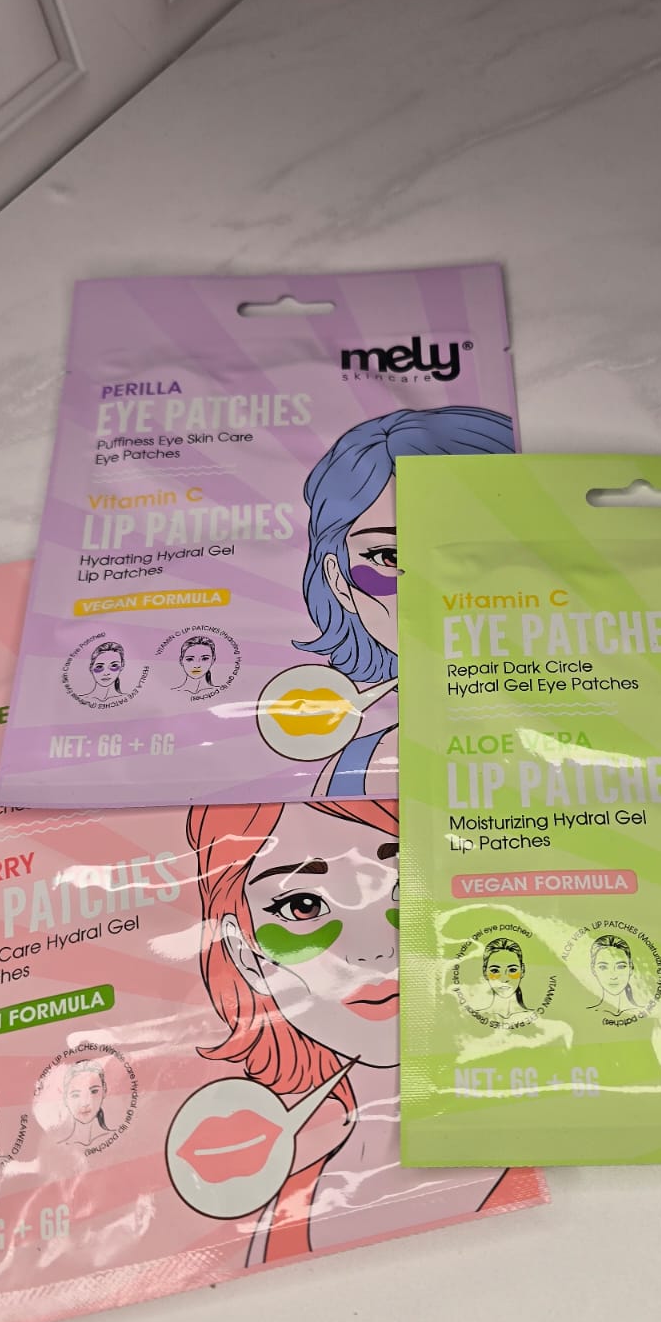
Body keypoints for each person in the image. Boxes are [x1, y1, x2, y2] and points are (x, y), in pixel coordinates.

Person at [187, 797, 506, 1261]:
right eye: (303, 906)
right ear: (244, 953)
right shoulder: (277, 1223)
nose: (375, 952)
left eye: (405, 883)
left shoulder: (546, 1137)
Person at [294, 407, 514, 797]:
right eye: (389, 556)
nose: (435, 586)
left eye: (474, 551)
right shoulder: (357, 769)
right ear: (337, 579)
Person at [60, 1060, 113, 1147]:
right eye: (75, 1095)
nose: (85, 1103)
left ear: (104, 1090)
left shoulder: (118, 1138)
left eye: (94, 1091)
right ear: (65, 1098)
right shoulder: (60, 1147)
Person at [589, 934, 642, 1017]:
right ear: (593, 969)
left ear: (631, 968)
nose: (613, 976)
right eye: (603, 967)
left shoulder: (647, 1013)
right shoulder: (586, 1014)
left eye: (621, 966)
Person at [479, 938, 528, 1022]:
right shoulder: (472, 1017)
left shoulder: (536, 1018)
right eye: (495, 971)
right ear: (485, 972)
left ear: (522, 970)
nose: (504, 979)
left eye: (512, 970)